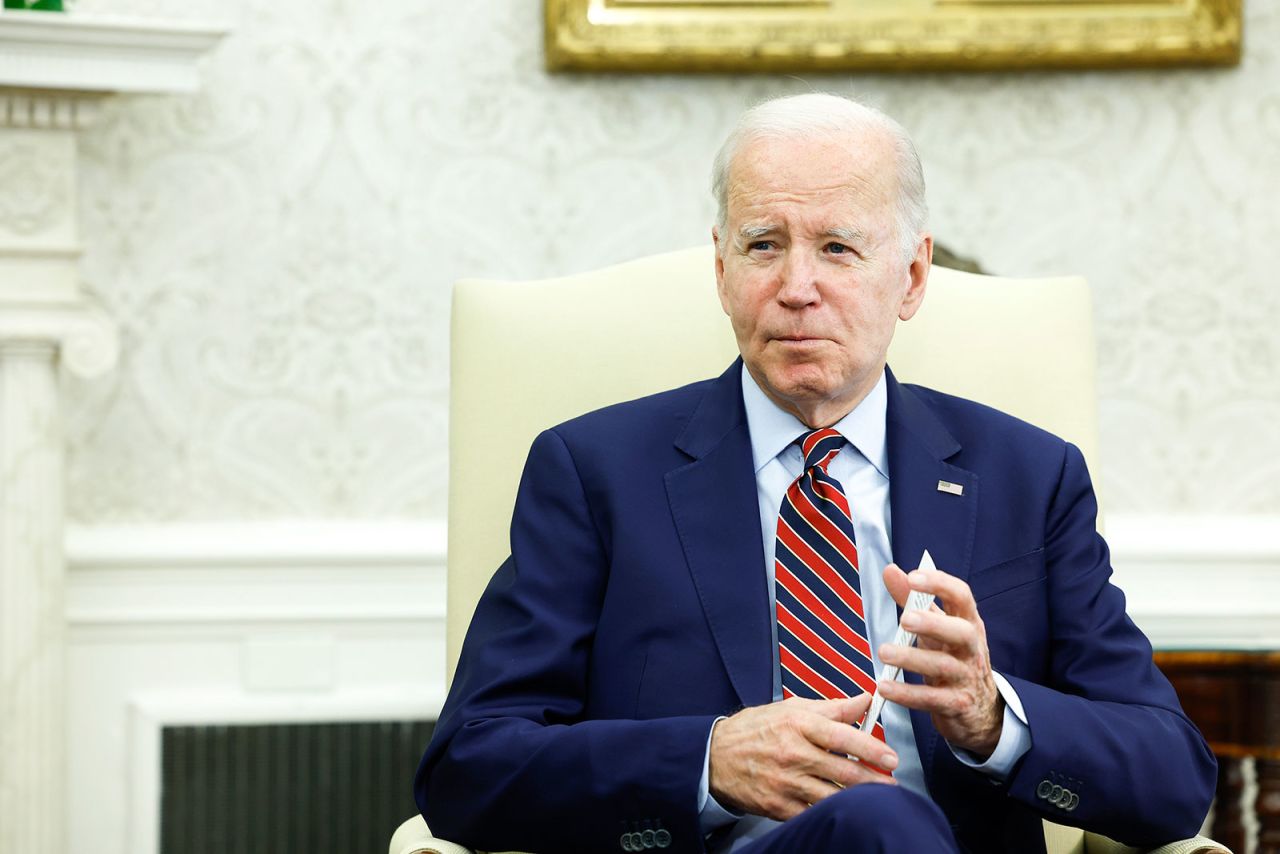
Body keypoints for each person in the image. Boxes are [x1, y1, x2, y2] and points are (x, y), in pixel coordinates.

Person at [415, 93, 1216, 854]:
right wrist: (706, 762)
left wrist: (990, 718)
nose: (797, 289)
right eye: (764, 246)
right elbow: (469, 765)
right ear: (722, 270)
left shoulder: (1029, 477)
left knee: (882, 826)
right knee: (874, 824)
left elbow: (1173, 778)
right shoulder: (595, 474)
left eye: (837, 247)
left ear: (910, 277)